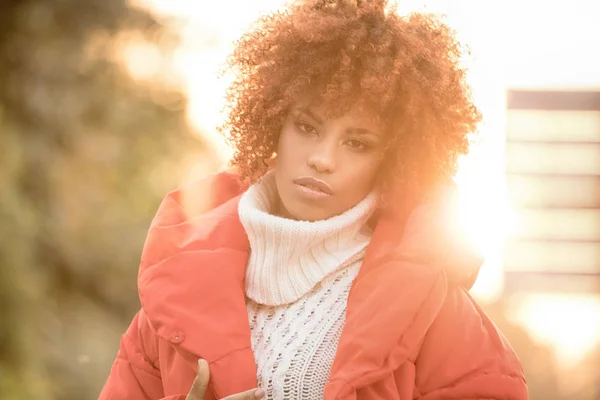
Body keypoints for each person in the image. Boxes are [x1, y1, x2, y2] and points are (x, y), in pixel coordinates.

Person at [99, 0, 528, 399]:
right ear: (272, 122)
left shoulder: (434, 312)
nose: (323, 159)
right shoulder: (171, 300)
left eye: (357, 144)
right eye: (306, 127)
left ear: (392, 161)